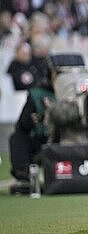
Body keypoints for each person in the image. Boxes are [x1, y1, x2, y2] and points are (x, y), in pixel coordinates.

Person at [8, 59, 57, 195]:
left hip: (65, 138)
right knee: (17, 138)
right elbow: (22, 125)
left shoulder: (71, 94)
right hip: (42, 138)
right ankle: (25, 177)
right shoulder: (37, 94)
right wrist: (33, 119)